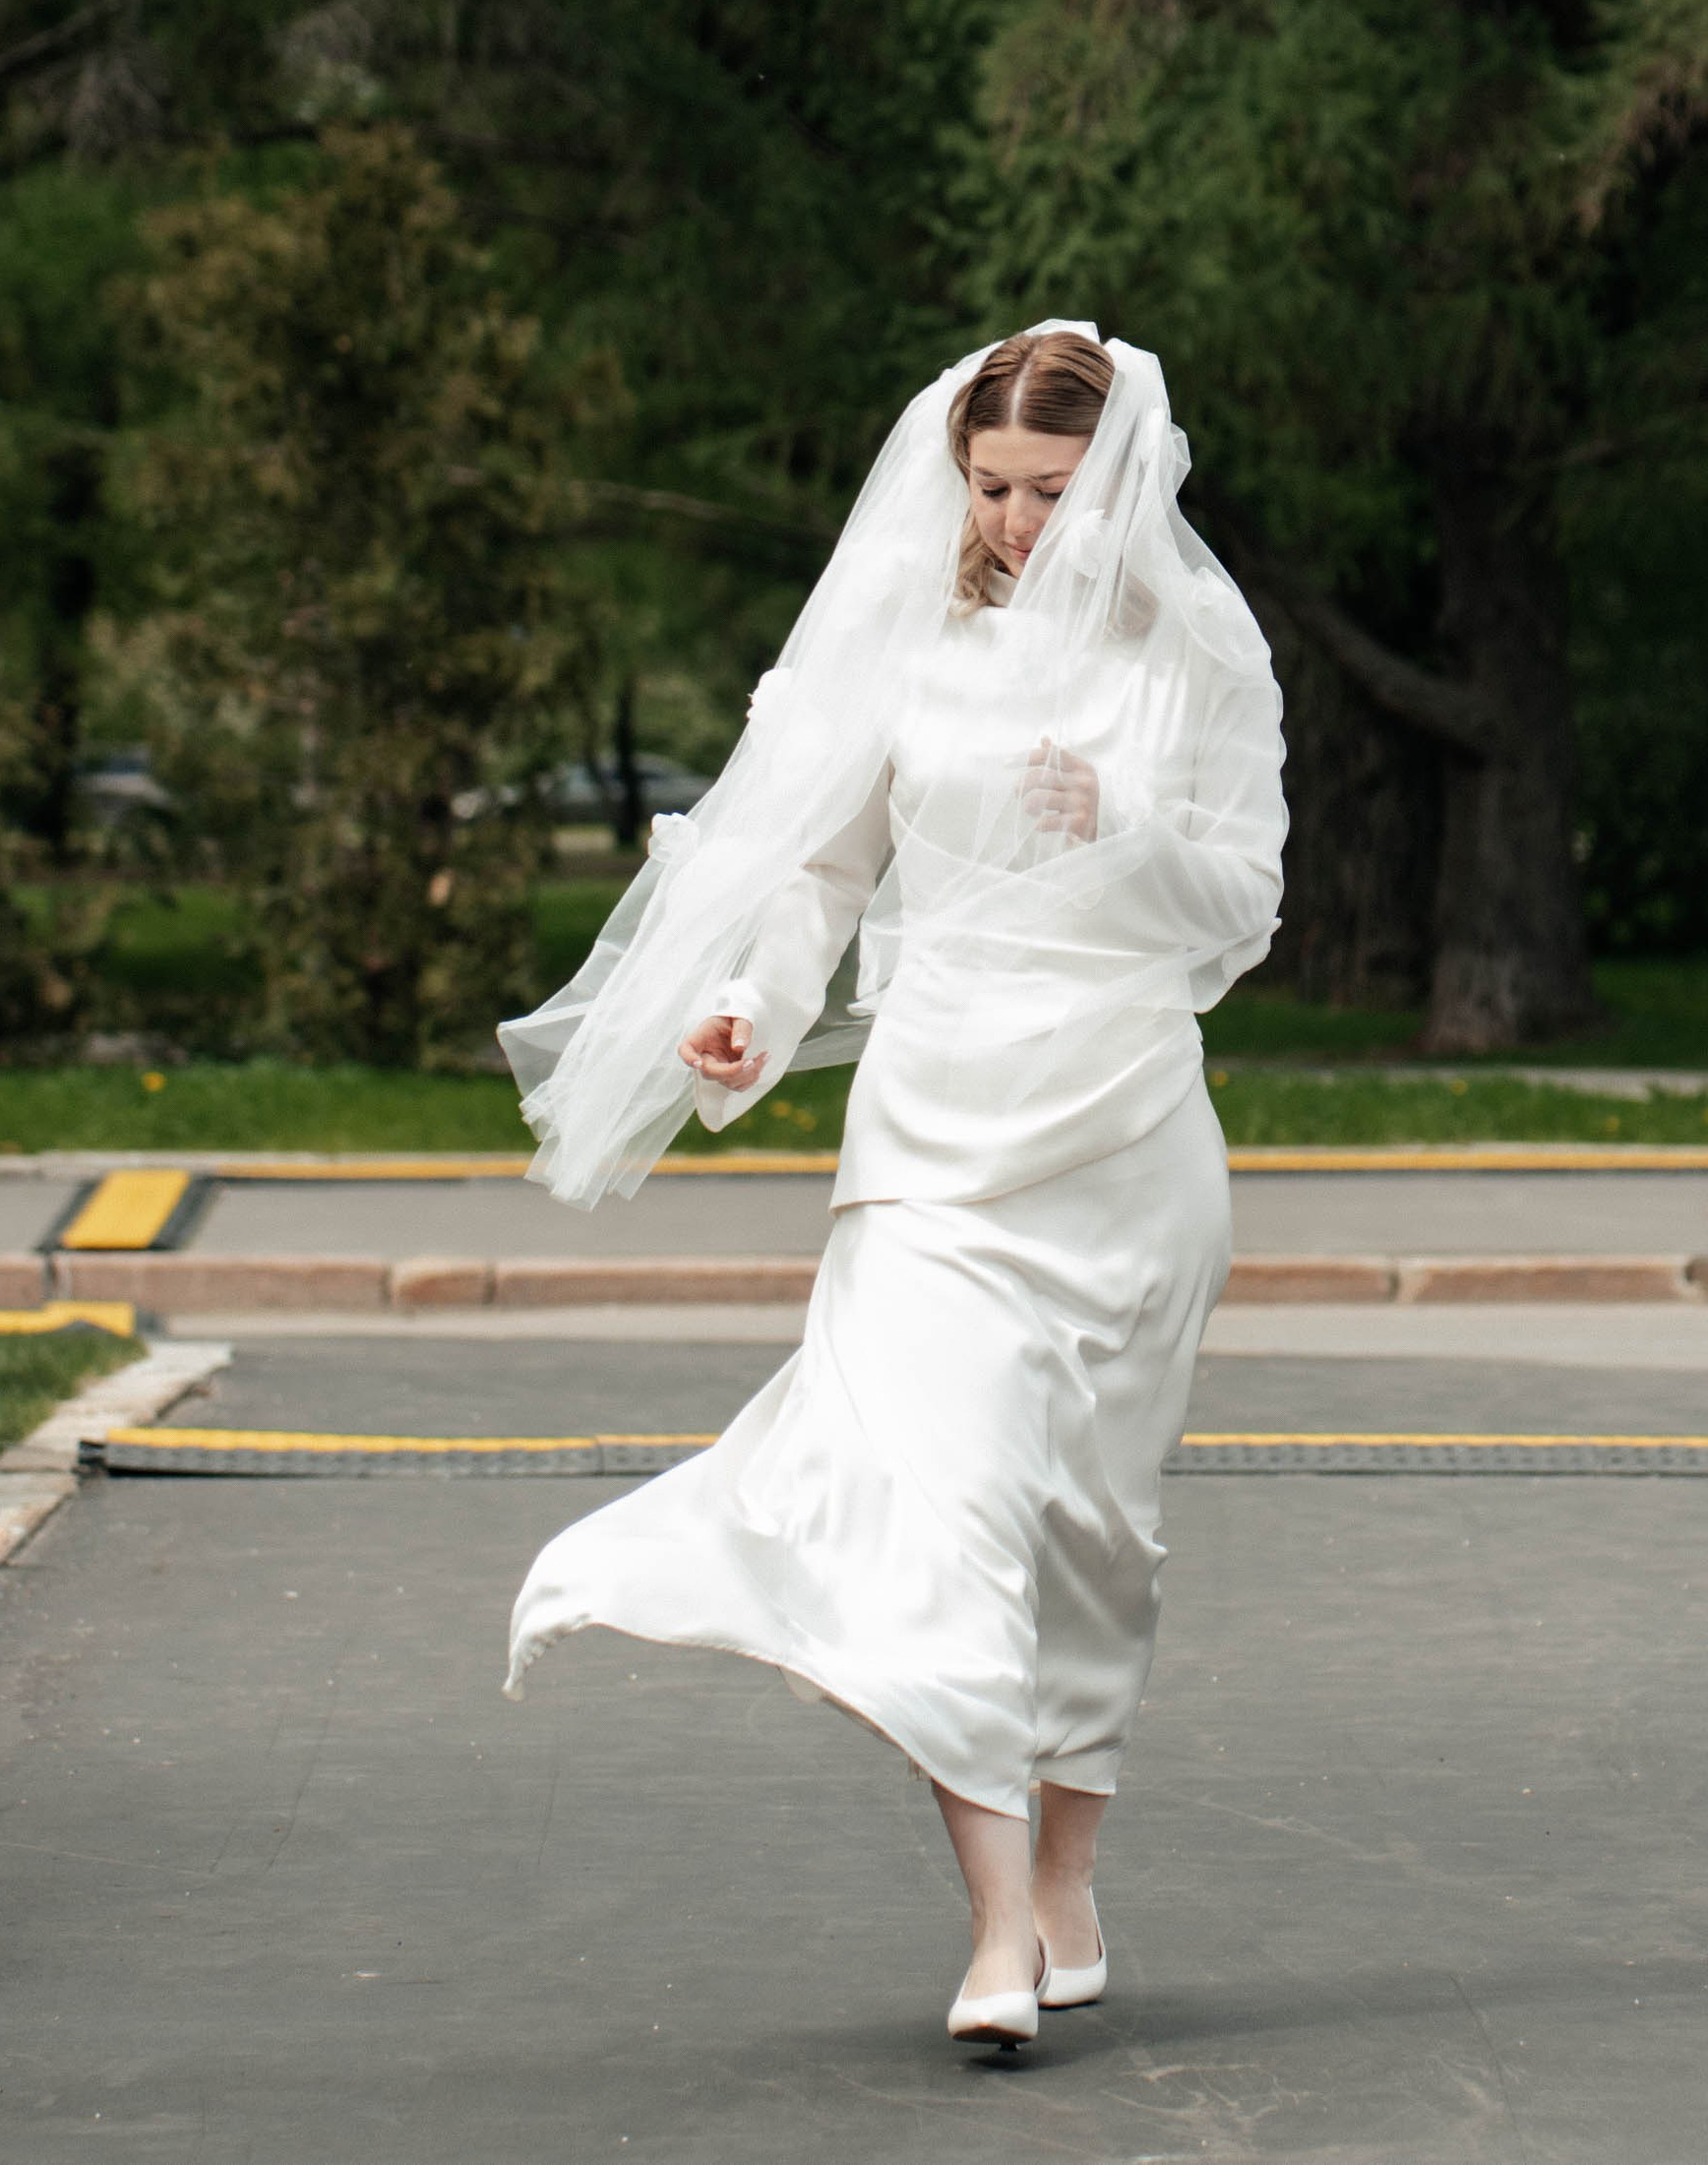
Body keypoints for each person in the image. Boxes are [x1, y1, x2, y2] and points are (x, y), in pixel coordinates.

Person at [499, 324, 1286, 2050]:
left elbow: (1245, 907)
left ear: (1120, 480)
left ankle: (1066, 1879)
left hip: (1125, 1139)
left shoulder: (1200, 655)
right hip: (933, 1143)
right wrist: (749, 1009)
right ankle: (997, 1930)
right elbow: (823, 870)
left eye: (1051, 492)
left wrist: (1121, 827)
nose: (1015, 522)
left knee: (1096, 1542)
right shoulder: (914, 644)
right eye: (991, 487)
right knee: (944, 1514)